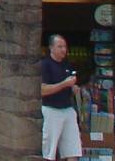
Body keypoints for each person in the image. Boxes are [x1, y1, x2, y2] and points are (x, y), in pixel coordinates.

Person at [40, 33, 82, 161]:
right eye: (60, 46)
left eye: (64, 46)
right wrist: (64, 84)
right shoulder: (45, 64)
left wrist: (73, 88)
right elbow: (42, 90)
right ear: (51, 48)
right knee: (50, 150)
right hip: (52, 109)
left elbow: (69, 85)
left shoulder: (67, 65)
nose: (63, 49)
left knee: (73, 147)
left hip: (67, 109)